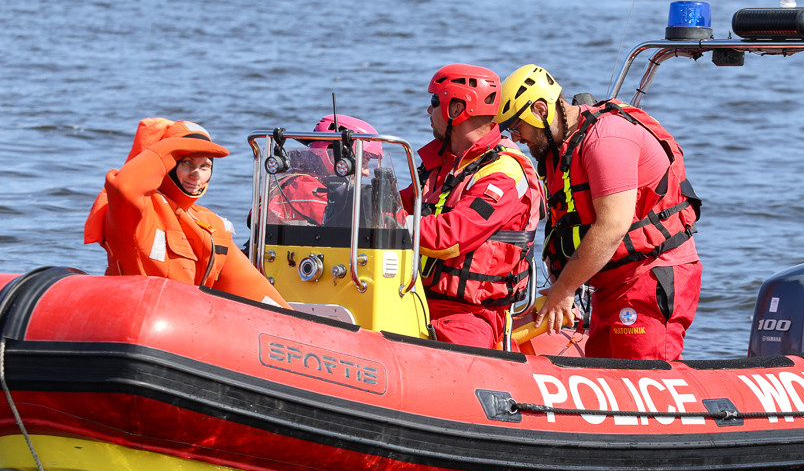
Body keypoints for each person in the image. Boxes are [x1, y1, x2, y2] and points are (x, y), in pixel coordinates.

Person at [496, 64, 701, 360]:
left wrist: (564, 289)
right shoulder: (561, 149)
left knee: (637, 383)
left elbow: (612, 226)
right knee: (604, 372)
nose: (515, 138)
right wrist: (561, 285)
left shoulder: (605, 140)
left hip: (647, 276)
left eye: (516, 127)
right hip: (609, 286)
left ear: (540, 109)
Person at [401, 64, 544, 350]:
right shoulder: (445, 164)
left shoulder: (504, 173)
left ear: (457, 109)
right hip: (416, 299)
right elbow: (398, 203)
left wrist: (391, 222)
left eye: (434, 102)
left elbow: (449, 238)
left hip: (468, 317)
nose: (428, 111)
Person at [84, 117, 289, 307]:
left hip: (183, 327)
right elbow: (124, 187)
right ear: (169, 163)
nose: (196, 175)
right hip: (132, 315)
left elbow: (253, 288)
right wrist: (169, 145)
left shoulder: (211, 225)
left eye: (205, 166)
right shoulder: (140, 209)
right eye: (187, 162)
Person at [267, 114, 381, 226]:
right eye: (363, 163)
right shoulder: (306, 190)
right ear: (334, 156)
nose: (367, 172)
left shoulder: (300, 180)